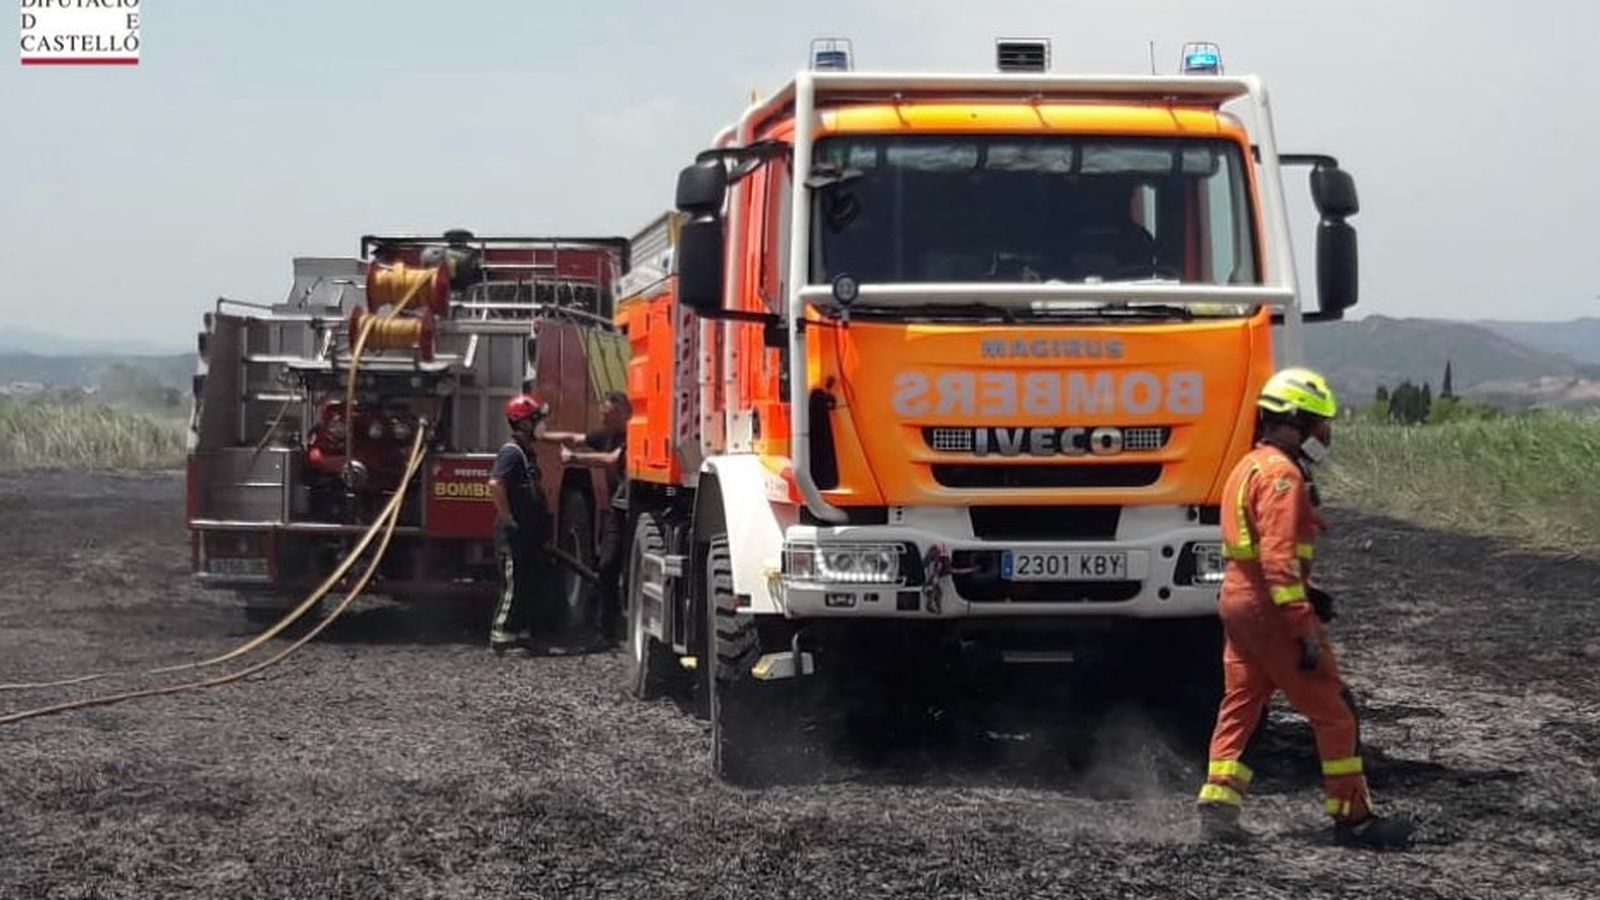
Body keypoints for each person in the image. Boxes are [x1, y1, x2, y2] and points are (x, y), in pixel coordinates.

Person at [1196, 367, 1414, 850]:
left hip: (1238, 604)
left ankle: (1219, 802)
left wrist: (1306, 591)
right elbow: (1277, 561)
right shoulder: (1282, 476)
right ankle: (1353, 819)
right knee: (1336, 712)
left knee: (1243, 704)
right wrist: (1306, 628)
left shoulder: (1247, 466)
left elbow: (1256, 551)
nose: (1324, 434)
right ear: (1294, 421)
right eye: (1318, 423)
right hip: (1273, 612)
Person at [541, 391, 630, 648]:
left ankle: (621, 624)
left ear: (622, 412)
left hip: (635, 509)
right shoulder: (607, 435)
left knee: (624, 569)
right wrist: (539, 436)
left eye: (606, 413)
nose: (601, 417)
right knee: (607, 566)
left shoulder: (633, 434)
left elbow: (611, 460)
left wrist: (573, 459)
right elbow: (573, 437)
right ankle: (606, 634)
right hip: (616, 509)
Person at [487, 393, 553, 654]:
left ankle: (518, 633)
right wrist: (507, 518)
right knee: (513, 586)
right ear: (523, 424)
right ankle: (501, 637)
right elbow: (496, 484)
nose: (542, 426)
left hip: (528, 534)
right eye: (537, 420)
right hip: (513, 535)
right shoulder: (511, 453)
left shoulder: (527, 454)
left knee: (526, 583)